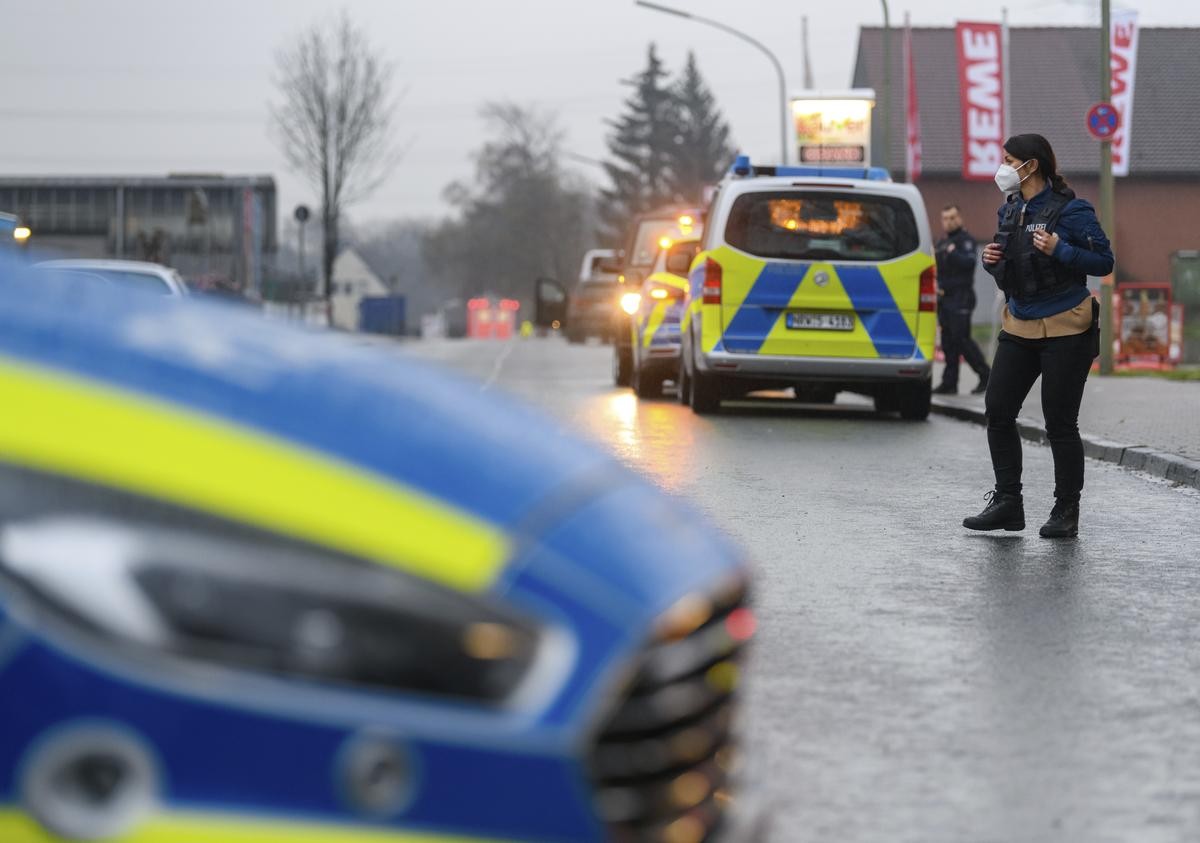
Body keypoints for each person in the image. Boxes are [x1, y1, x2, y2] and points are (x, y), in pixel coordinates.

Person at [963, 133, 1113, 538]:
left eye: (1009, 159)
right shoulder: (1009, 211)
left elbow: (1104, 260)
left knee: (1059, 422)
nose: (1003, 167)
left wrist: (1061, 249)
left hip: (1067, 324)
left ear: (1031, 165)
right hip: (1020, 322)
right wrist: (991, 261)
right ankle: (1008, 503)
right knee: (997, 408)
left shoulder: (1072, 210)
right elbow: (1012, 269)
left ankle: (1067, 510)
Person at [933, 205, 991, 395]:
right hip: (944, 298)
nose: (948, 222)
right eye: (945, 218)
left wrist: (953, 252)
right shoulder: (942, 242)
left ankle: (985, 375)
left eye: (952, 217)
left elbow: (968, 263)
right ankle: (950, 382)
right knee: (948, 341)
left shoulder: (965, 241)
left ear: (960, 218)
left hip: (960, 297)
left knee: (962, 340)